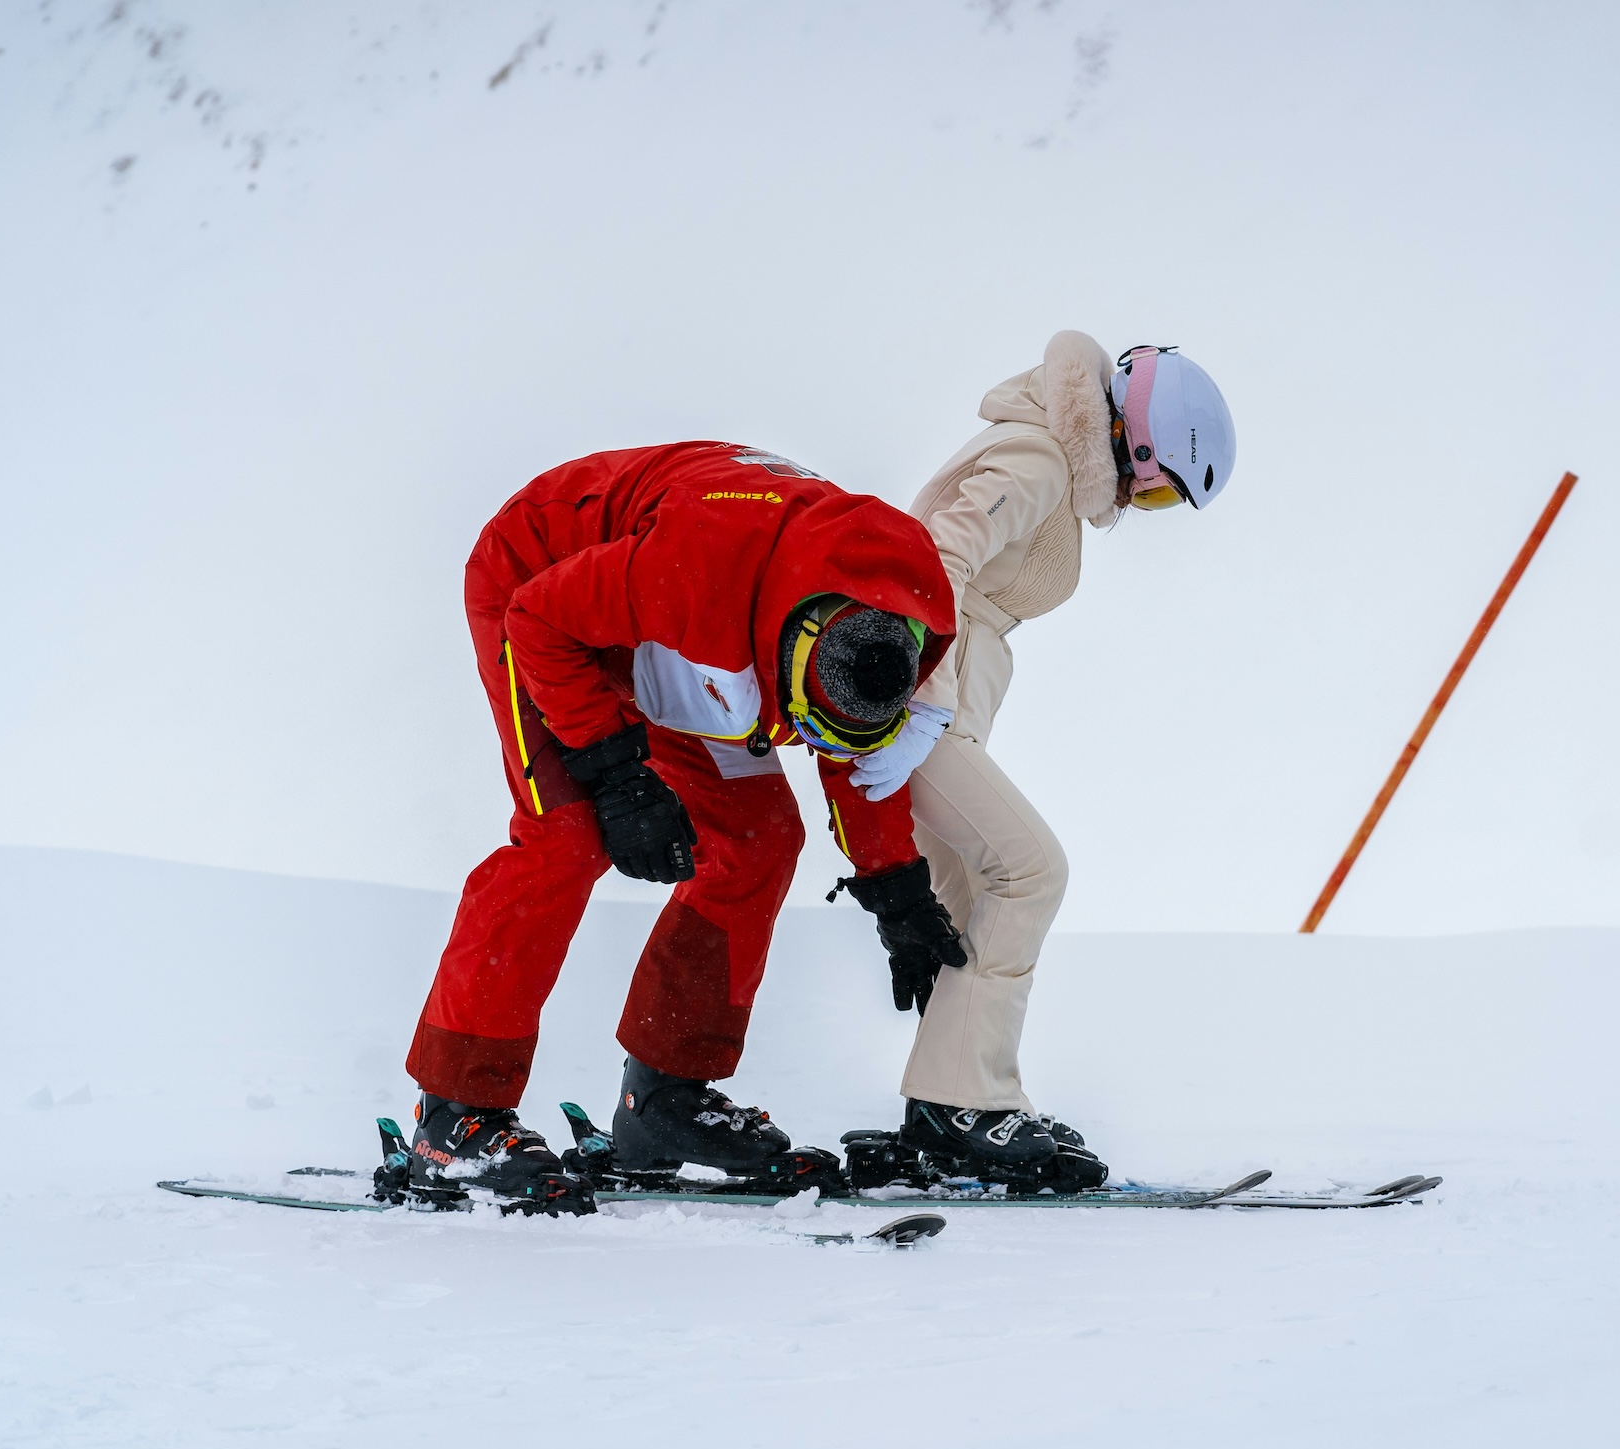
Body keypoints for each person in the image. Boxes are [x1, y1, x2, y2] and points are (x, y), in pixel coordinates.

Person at [403, 441, 970, 1213]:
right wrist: (616, 774)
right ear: (786, 658)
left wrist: (895, 887)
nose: (811, 747)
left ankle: (662, 1100)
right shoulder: (696, 568)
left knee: (759, 836)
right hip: (542, 590)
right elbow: (538, 618)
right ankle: (452, 1117)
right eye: (801, 726)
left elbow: (856, 758)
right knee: (568, 834)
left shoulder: (887, 618)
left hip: (672, 638)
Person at [839, 334, 1237, 1186]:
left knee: (977, 893)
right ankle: (964, 1105)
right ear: (1137, 439)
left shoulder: (1049, 456)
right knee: (1031, 870)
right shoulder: (1040, 457)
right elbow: (936, 555)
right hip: (921, 687)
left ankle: (952, 1105)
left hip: (942, 691)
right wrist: (927, 701)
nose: (1143, 505)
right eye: (1161, 487)